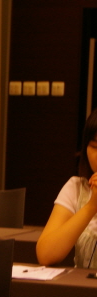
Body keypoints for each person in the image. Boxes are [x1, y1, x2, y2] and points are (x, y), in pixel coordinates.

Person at [37, 108, 97, 267]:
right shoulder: (76, 188)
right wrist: (92, 206)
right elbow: (46, 255)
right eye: (95, 147)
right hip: (82, 283)